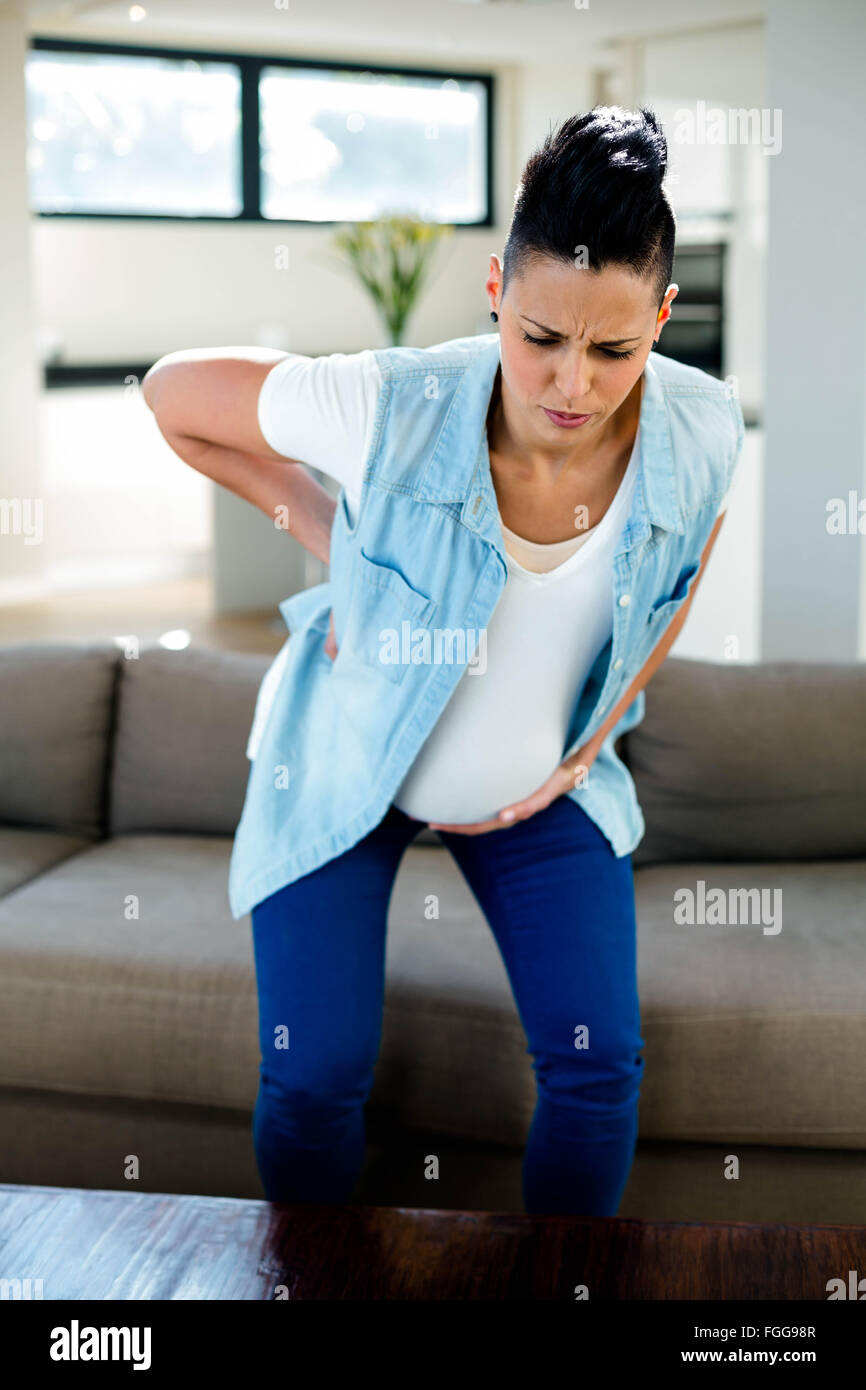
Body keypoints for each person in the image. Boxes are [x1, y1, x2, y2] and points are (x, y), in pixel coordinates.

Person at [142, 106, 744, 1216]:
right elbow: (171, 393)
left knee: (596, 1069)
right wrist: (328, 538)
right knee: (315, 1074)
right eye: (538, 337)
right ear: (493, 291)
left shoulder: (704, 429)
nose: (570, 383)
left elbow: (682, 573)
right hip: (346, 770)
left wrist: (592, 741)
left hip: (530, 793)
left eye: (612, 348)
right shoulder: (388, 403)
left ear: (661, 318)